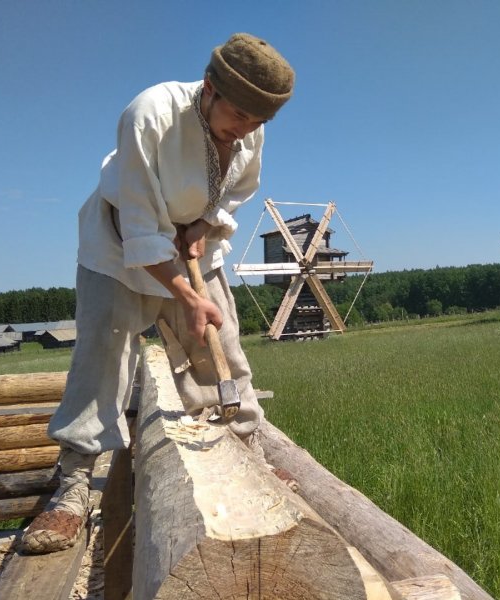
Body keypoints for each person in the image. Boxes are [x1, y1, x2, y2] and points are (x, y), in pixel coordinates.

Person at [20, 33, 295, 554]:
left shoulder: (249, 127)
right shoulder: (150, 115)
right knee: (103, 357)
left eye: (258, 121)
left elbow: (240, 188)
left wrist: (205, 225)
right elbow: (140, 226)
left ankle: (247, 446)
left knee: (222, 347)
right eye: (239, 115)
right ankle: (73, 486)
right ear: (209, 87)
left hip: (191, 246)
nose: (246, 130)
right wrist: (185, 297)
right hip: (119, 247)